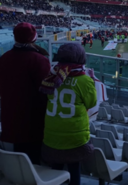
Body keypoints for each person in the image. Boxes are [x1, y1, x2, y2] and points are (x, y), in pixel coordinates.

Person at [40, 43, 97, 185]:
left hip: (51, 137)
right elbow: (91, 103)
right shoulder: (84, 80)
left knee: (56, 169)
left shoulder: (51, 77)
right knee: (74, 169)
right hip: (75, 139)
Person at [0, 22, 51, 164]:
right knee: (33, 165)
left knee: (17, 166)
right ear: (34, 38)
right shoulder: (39, 60)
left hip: (9, 121)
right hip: (32, 124)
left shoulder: (4, 58)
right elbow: (45, 92)